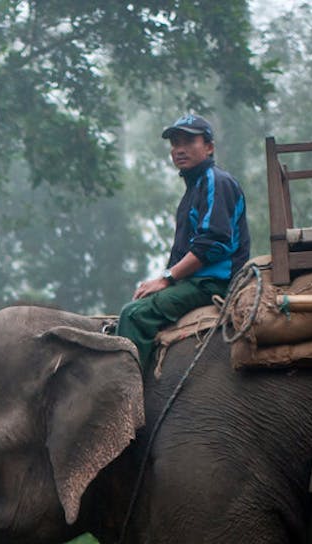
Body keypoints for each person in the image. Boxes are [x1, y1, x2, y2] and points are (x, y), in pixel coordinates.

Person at [115, 113, 250, 371]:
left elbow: (211, 243)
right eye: (175, 143)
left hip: (214, 282)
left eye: (189, 142)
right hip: (195, 281)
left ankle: (124, 397)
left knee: (135, 315)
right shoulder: (195, 186)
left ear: (209, 147)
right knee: (137, 302)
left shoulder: (216, 181)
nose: (179, 150)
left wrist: (167, 278)